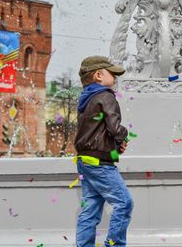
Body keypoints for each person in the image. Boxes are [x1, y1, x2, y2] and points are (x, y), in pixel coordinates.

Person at [74, 56, 133, 247]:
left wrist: (115, 147)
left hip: (85, 160)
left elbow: (95, 132)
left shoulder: (85, 98)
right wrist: (123, 136)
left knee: (90, 209)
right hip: (100, 163)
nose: (115, 78)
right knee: (124, 203)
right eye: (112, 74)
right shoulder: (106, 96)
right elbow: (115, 128)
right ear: (98, 75)